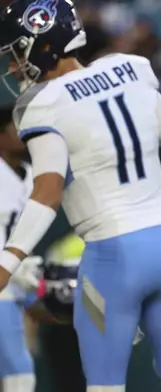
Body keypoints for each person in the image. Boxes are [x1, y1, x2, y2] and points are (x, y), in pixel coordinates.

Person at [0, 1, 161, 391]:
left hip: (111, 258)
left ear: (43, 44)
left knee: (105, 385)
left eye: (17, 53)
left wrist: (7, 264)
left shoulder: (42, 105)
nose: (12, 67)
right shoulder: (129, 70)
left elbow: (47, 193)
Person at [0, 107, 44, 391]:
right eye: (15, 128)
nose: (23, 135)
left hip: (17, 285)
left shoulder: (35, 176)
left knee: (20, 372)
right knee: (20, 373)